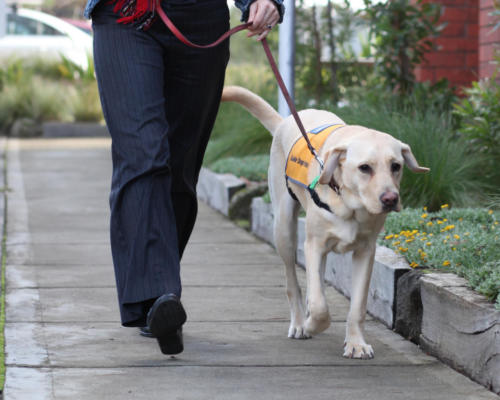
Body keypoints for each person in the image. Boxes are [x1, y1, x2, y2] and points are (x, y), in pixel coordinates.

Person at [83, 0, 284, 355]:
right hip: (124, 14)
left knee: (180, 164)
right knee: (143, 153)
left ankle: (156, 300)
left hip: (200, 18)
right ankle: (158, 295)